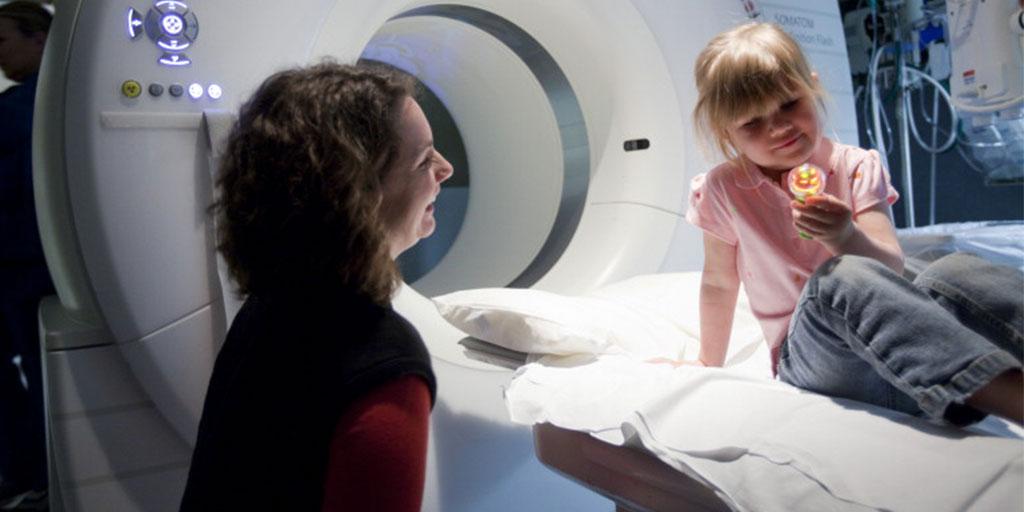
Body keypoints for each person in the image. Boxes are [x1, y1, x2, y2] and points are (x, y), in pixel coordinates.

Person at [671, 21, 1022, 427]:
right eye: (752, 123)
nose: (779, 127)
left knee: (952, 269)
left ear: (813, 86)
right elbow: (718, 282)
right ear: (726, 132)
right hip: (819, 359)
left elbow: (889, 266)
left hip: (906, 357)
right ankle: (1012, 398)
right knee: (836, 281)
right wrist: (707, 361)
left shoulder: (855, 168)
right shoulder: (724, 189)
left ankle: (981, 373)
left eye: (789, 104)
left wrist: (846, 236)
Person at [179, 61, 453, 511]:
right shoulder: (383, 357)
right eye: (424, 160)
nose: (446, 168)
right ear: (359, 197)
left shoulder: (267, 308)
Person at [0, 2, 54, 509]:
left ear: (38, 38)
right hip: (42, 267)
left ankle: (31, 476)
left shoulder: (19, 110)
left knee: (28, 379)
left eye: (3, 41)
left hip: (22, 271)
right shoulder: (54, 106)